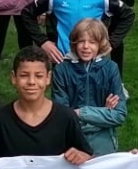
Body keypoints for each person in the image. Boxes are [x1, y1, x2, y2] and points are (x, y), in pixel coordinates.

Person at [53, 18, 127, 156]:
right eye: (81, 41)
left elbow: (119, 115)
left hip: (103, 144)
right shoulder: (61, 70)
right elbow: (62, 117)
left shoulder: (111, 69)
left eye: (92, 42)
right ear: (74, 42)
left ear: (101, 44)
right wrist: (103, 113)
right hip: (72, 143)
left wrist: (81, 113)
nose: (86, 46)